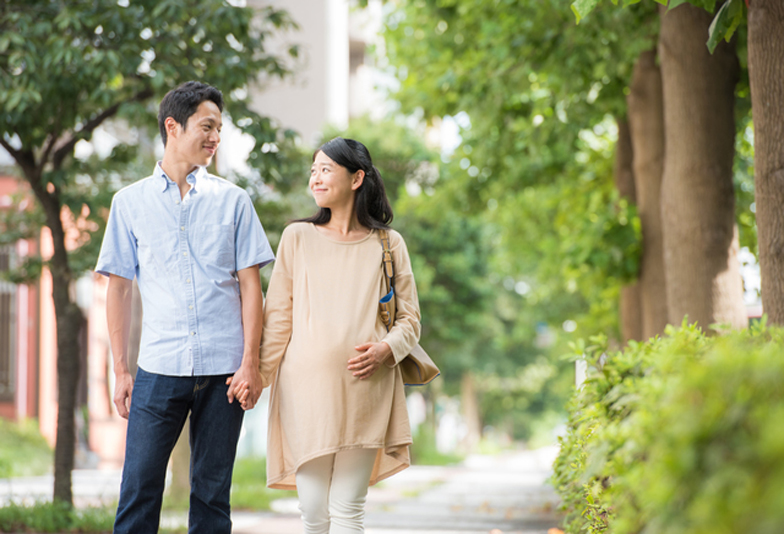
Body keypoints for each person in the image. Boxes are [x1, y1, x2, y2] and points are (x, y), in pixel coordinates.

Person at [95, 81, 274, 534]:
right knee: (138, 492)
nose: (215, 137)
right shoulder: (129, 203)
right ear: (172, 127)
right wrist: (121, 369)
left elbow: (251, 288)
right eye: (206, 126)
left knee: (212, 498)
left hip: (224, 372)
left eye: (219, 128)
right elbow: (118, 290)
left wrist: (250, 363)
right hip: (158, 366)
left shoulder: (233, 201)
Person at [259, 137, 421, 534]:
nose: (316, 177)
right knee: (313, 511)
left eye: (326, 169)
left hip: (366, 390)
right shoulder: (296, 237)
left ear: (356, 178)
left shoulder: (388, 243)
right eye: (313, 170)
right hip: (305, 395)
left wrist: (386, 349)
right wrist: (258, 377)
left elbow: (410, 320)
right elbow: (278, 317)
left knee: (348, 508)